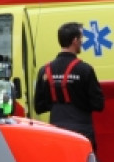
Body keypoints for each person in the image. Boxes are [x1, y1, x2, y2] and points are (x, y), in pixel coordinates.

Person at [35, 22, 105, 151]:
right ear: (75, 40)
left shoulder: (45, 70)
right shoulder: (85, 70)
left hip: (57, 131)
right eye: (81, 39)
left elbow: (39, 106)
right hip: (82, 132)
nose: (82, 42)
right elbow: (98, 104)